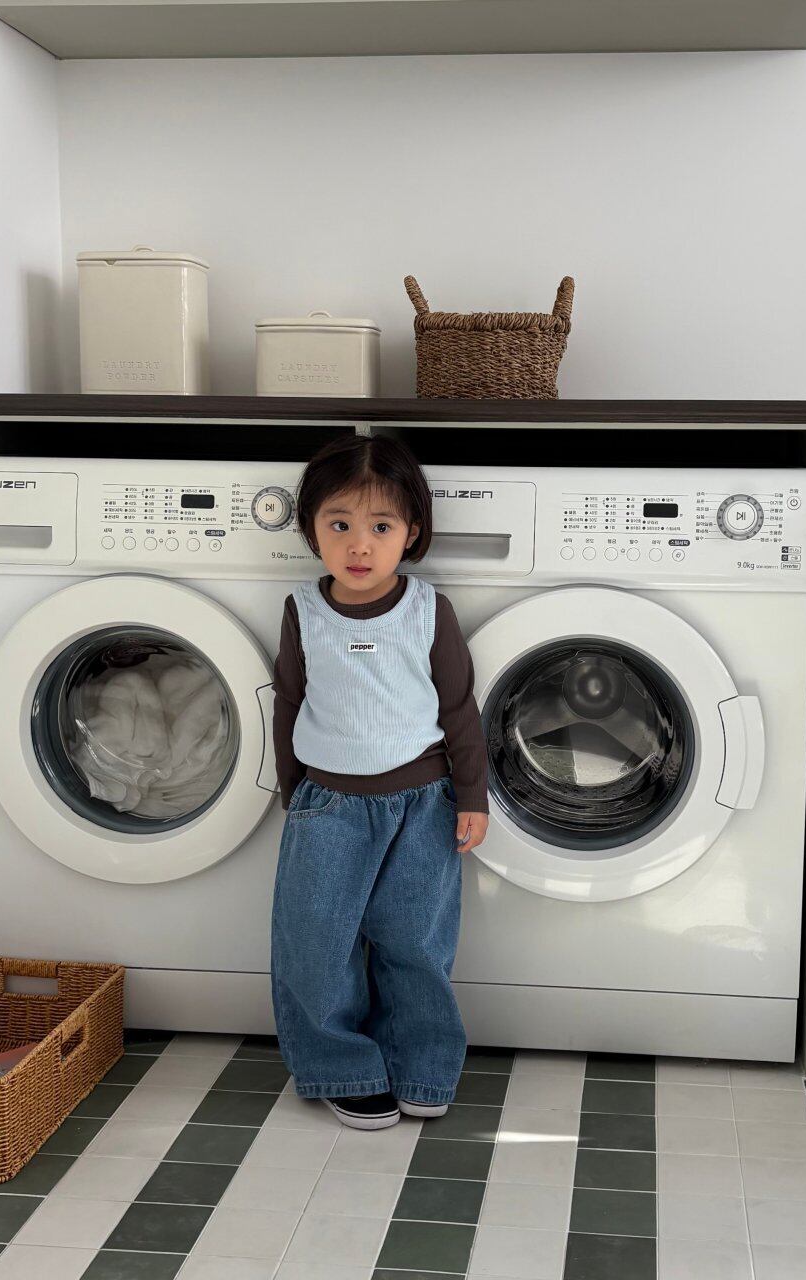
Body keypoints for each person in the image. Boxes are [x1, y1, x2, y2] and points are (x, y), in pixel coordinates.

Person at [270, 434, 489, 1131]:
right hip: (328, 804)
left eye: (381, 527)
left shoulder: (428, 610)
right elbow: (288, 702)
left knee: (414, 944)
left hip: (423, 806)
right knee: (316, 943)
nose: (358, 546)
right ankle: (343, 1066)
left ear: (411, 533)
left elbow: (459, 709)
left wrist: (472, 796)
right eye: (339, 525)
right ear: (312, 530)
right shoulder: (304, 611)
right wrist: (292, 792)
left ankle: (421, 1066)